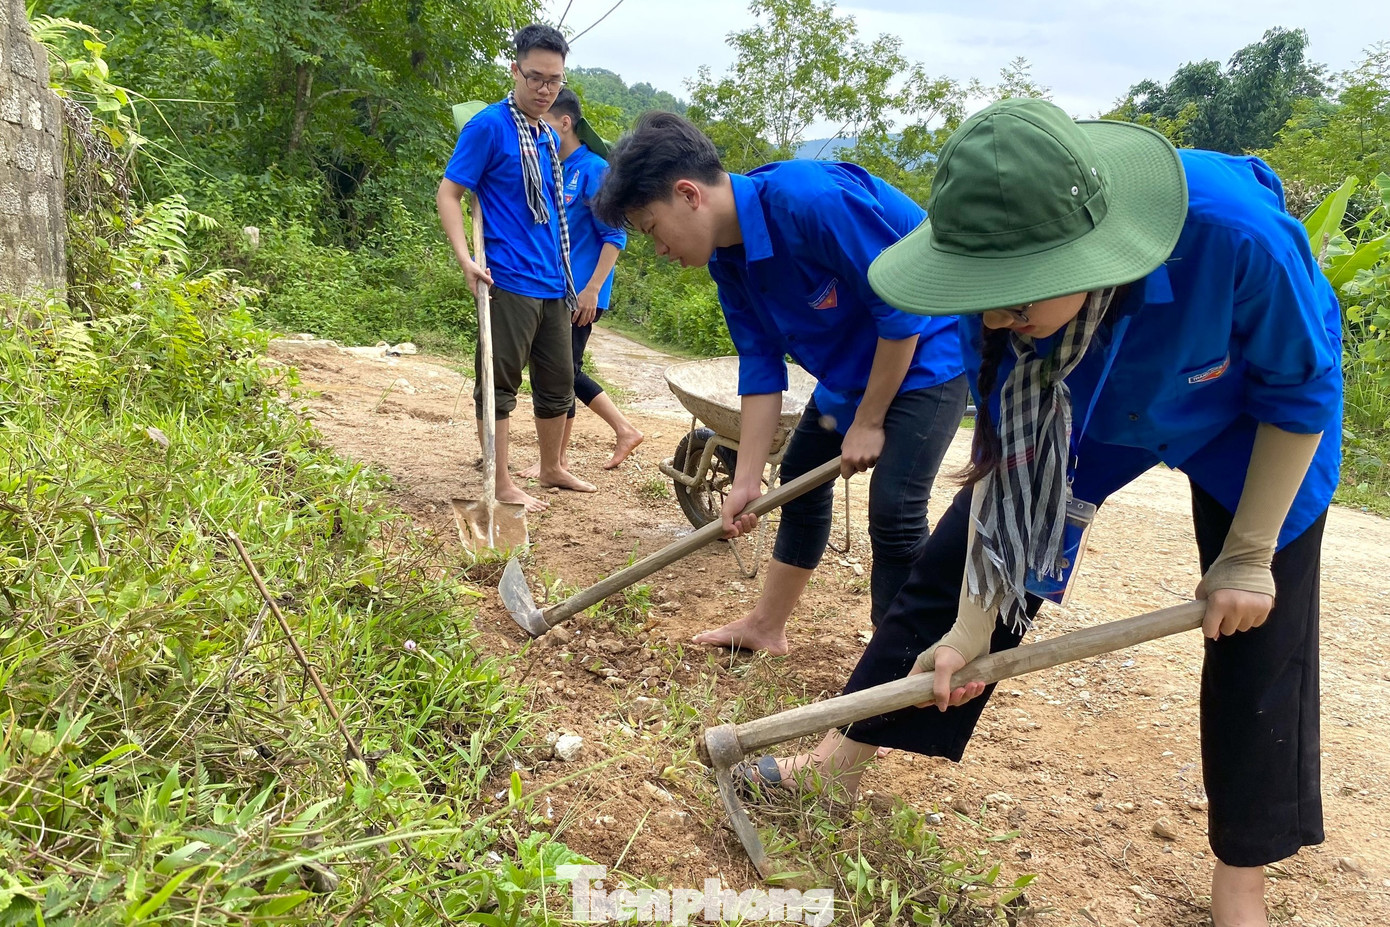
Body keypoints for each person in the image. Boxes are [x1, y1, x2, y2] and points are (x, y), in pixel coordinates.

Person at [739, 99, 1342, 927]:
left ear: (1087, 253)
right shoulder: (1003, 312)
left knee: (1258, 640)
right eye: (981, 298)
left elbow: (1302, 388)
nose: (992, 318)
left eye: (1013, 299)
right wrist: (969, 628)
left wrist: (1247, 554)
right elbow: (1005, 483)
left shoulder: (1237, 239)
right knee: (957, 563)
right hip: (1077, 392)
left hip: (1250, 414)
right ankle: (840, 758)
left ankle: (1241, 880)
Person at [593, 112, 969, 653]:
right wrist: (746, 478)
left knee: (894, 509)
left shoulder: (810, 202)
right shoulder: (729, 258)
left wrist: (867, 423)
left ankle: (897, 677)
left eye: (652, 229)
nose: (659, 248)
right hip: (852, 374)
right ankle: (766, 626)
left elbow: (902, 312)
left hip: (930, 353)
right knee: (798, 480)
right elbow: (761, 363)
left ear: (687, 194)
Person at [436, 23, 596, 511]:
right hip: (505, 277)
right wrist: (465, 259)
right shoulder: (487, 126)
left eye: (555, 80)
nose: (546, 89)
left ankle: (551, 467)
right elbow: (450, 192)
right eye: (536, 78)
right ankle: (502, 480)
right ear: (515, 70)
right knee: (500, 385)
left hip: (553, 281)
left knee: (559, 384)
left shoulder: (548, 135)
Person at [515, 88, 644, 478]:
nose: (539, 130)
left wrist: (591, 289)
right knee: (559, 371)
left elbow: (615, 237)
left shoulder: (592, 170)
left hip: (584, 293)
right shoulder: (554, 168)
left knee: (561, 372)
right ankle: (561, 459)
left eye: (545, 122)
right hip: (556, 289)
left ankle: (617, 433)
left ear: (565, 122)